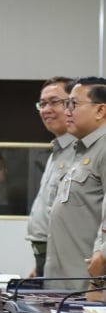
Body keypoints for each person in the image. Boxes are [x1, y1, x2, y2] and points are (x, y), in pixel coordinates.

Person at [46, 76, 106, 290]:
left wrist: (103, 257)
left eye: (73, 104)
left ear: (100, 111)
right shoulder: (82, 151)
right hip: (63, 281)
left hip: (88, 284)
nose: (67, 111)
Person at [26, 77, 75, 277]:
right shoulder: (56, 150)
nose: (46, 109)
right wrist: (40, 267)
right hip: (46, 257)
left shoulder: (81, 151)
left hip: (69, 258)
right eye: (42, 104)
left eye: (54, 102)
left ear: (73, 105)